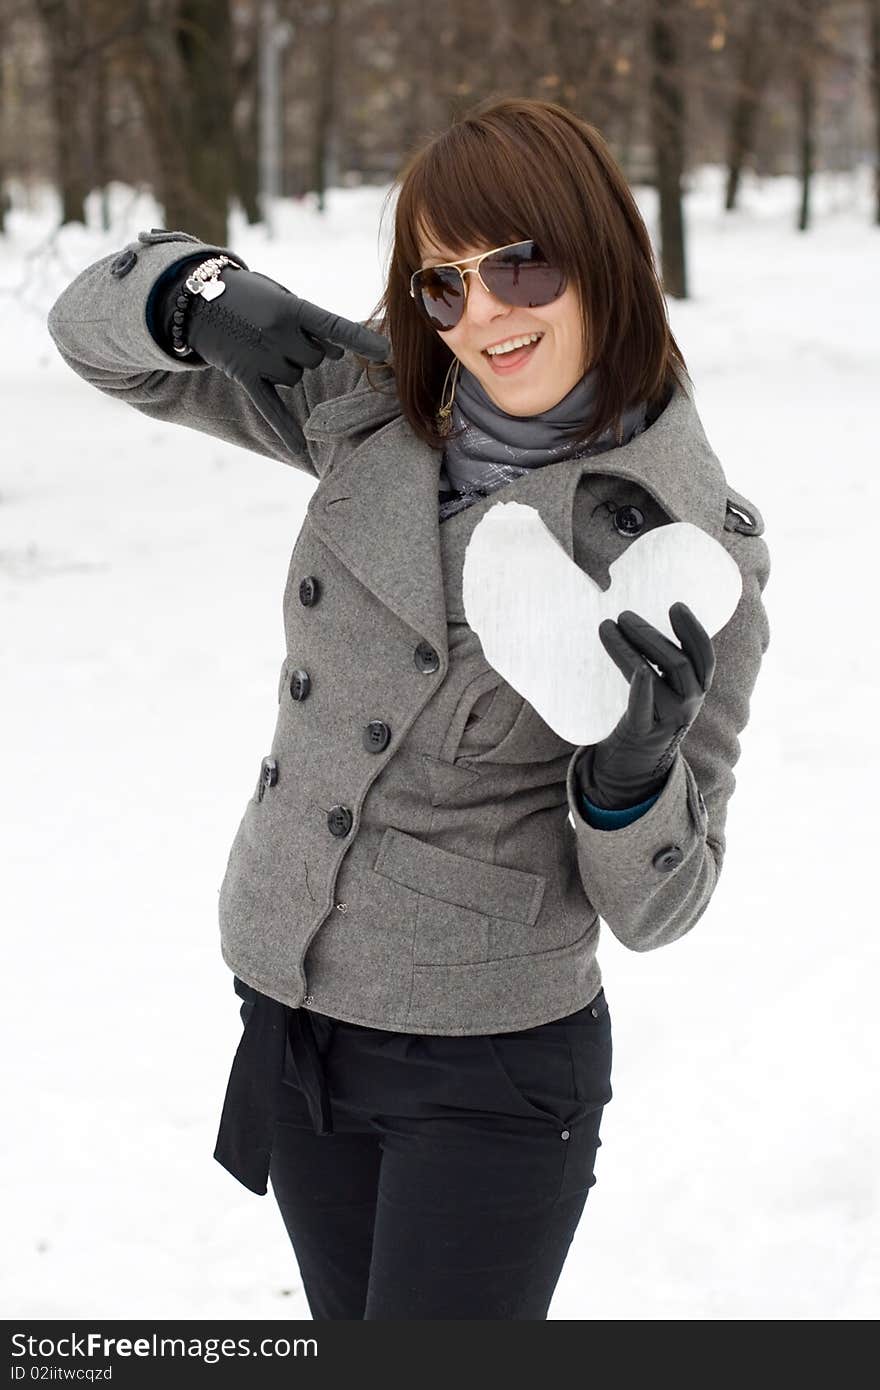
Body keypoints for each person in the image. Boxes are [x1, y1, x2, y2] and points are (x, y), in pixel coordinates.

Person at [47, 96, 771, 1321]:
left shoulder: (685, 552)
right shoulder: (373, 411)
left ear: (602, 254)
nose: (483, 314)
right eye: (441, 285)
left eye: (518, 265)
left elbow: (661, 906)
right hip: (290, 1004)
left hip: (486, 1070)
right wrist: (199, 291)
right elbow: (91, 340)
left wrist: (629, 776)